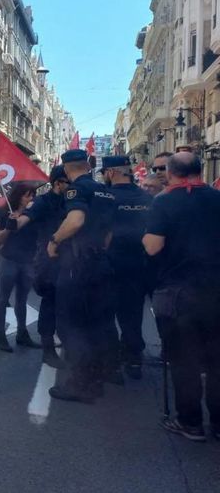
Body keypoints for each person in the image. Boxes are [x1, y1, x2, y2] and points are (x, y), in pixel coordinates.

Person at [143, 152, 220, 442]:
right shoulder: (217, 198)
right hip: (216, 290)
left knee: (184, 361)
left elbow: (152, 247)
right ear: (200, 170)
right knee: (217, 362)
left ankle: (190, 423)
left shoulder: (163, 202)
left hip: (179, 294)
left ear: (171, 173)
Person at [47, 149, 116, 404]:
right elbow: (109, 233)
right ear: (88, 165)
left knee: (71, 325)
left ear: (66, 168)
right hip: (100, 263)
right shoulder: (105, 191)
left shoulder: (77, 190)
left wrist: (54, 240)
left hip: (77, 265)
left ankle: (79, 383)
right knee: (95, 324)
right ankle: (95, 379)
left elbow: (75, 221)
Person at [11, 165, 69, 368]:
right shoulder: (43, 202)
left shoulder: (73, 200)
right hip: (49, 262)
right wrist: (11, 223)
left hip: (71, 261)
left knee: (68, 307)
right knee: (50, 305)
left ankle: (69, 347)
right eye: (68, 181)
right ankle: (48, 350)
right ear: (58, 183)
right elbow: (25, 219)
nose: (71, 185)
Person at [102, 156, 152, 381]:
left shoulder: (105, 198)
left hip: (109, 264)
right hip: (139, 265)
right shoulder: (147, 197)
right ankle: (133, 359)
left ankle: (110, 362)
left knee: (105, 314)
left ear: (111, 172)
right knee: (132, 315)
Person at [0, 183, 41, 352]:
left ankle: (22, 333)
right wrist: (9, 227)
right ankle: (0, 336)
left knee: (22, 299)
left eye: (33, 195)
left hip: (27, 261)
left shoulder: (34, 214)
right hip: (8, 259)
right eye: (28, 195)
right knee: (2, 298)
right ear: (19, 196)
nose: (31, 198)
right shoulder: (5, 213)